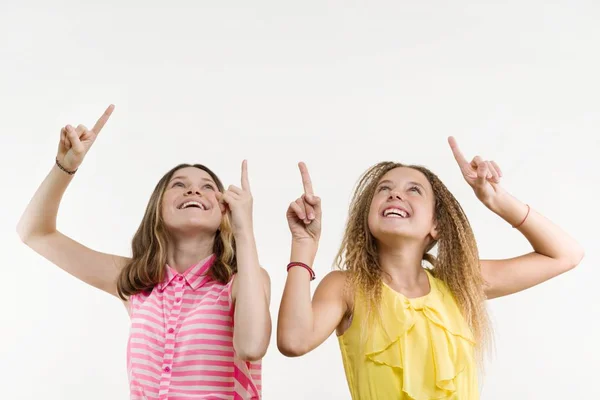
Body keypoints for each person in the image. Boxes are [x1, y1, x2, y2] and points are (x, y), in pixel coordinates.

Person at [277, 137, 584, 399]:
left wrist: (497, 199)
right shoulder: (346, 287)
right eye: (383, 189)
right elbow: (293, 341)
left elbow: (566, 255)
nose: (395, 193)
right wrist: (303, 245)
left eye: (414, 190)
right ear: (367, 218)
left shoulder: (458, 283)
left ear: (435, 225)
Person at [17, 105, 271, 400]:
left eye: (207, 187)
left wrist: (244, 230)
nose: (194, 191)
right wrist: (66, 166)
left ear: (223, 211)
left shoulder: (242, 281)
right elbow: (35, 233)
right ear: (157, 209)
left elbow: (252, 346)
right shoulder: (136, 282)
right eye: (179, 185)